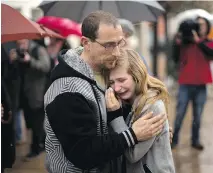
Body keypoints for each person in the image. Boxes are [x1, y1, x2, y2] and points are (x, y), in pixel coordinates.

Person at [44, 11, 167, 173]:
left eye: (119, 43)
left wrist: (154, 135)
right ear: (86, 43)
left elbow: (105, 123)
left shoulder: (105, 71)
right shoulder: (67, 89)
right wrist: (132, 135)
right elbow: (83, 154)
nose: (116, 52)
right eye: (108, 45)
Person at [105, 48, 175, 173]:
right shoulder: (128, 103)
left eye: (122, 80)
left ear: (136, 75)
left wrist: (115, 116)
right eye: (111, 82)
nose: (116, 88)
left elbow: (133, 155)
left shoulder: (152, 106)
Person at [172, 16, 213, 150]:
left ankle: (195, 141)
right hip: (185, 83)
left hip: (201, 85)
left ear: (207, 27)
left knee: (198, 115)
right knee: (179, 114)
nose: (200, 27)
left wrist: (198, 41)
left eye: (202, 25)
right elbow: (175, 58)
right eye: (198, 24)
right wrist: (177, 41)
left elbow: (210, 54)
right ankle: (174, 140)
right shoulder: (184, 42)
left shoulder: (208, 42)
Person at [10, 39, 50, 159]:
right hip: (24, 93)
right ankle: (42, 141)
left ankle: (36, 148)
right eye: (18, 44)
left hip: (37, 93)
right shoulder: (18, 52)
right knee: (31, 123)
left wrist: (30, 60)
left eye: (22, 43)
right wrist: (13, 60)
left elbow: (46, 67)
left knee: (37, 122)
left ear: (27, 40)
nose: (20, 46)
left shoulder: (38, 50)